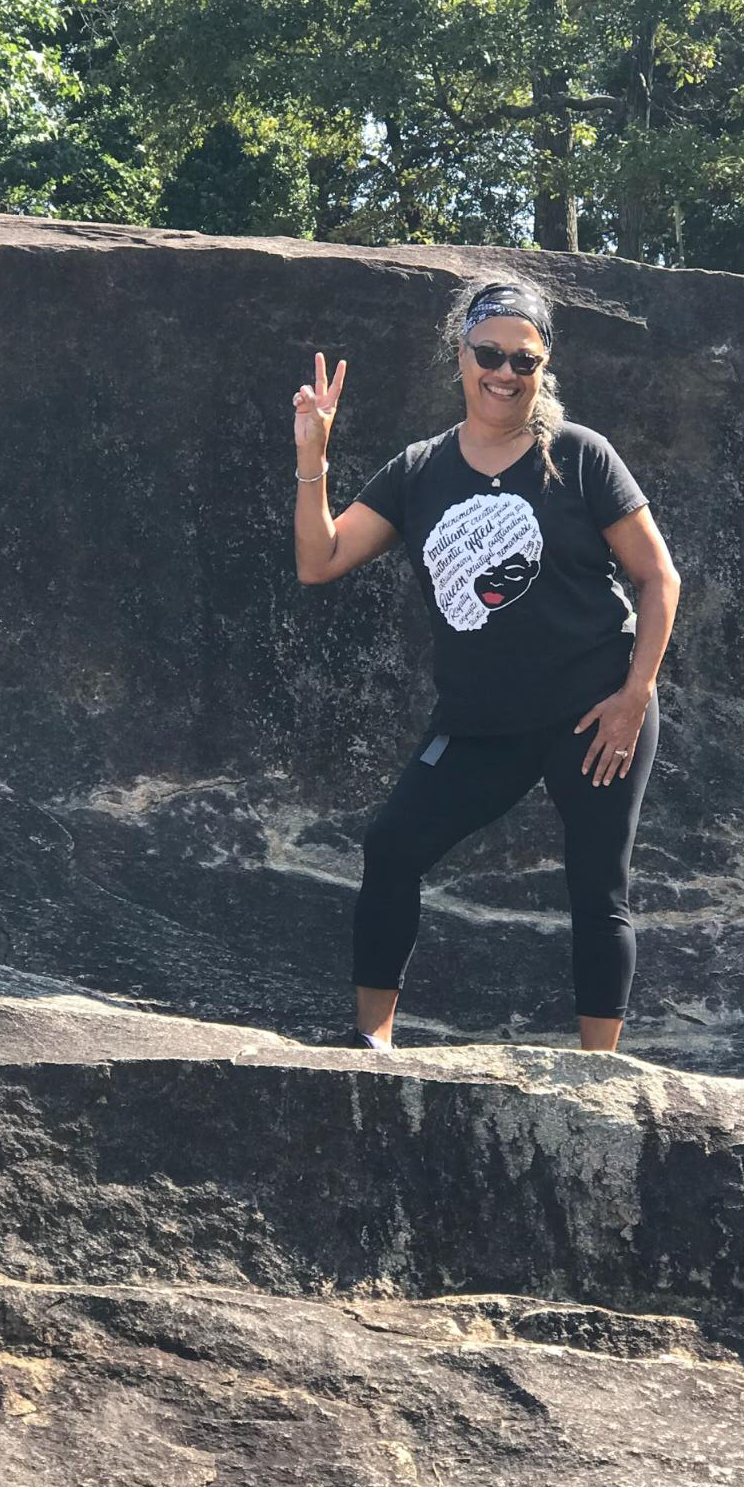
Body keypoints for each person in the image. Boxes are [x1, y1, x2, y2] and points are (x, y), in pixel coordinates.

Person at [291, 278, 681, 1054]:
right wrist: (314, 457)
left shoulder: (578, 456)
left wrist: (634, 698)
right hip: (481, 725)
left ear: (543, 367)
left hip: (593, 711)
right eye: (489, 355)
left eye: (523, 360)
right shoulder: (421, 468)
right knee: (392, 846)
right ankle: (372, 1047)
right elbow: (320, 559)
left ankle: (596, 1078)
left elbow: (659, 577)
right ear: (461, 356)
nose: (505, 373)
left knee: (598, 885)